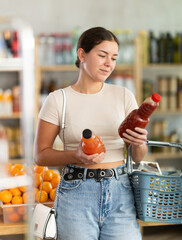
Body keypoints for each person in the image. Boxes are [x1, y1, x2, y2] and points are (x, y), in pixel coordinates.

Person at [33, 26, 148, 240]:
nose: (109, 64)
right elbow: (40, 155)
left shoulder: (123, 95)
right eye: (102, 55)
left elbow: (137, 157)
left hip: (120, 191)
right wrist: (75, 156)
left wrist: (139, 143)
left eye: (114, 58)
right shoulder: (58, 100)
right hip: (76, 192)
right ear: (82, 54)